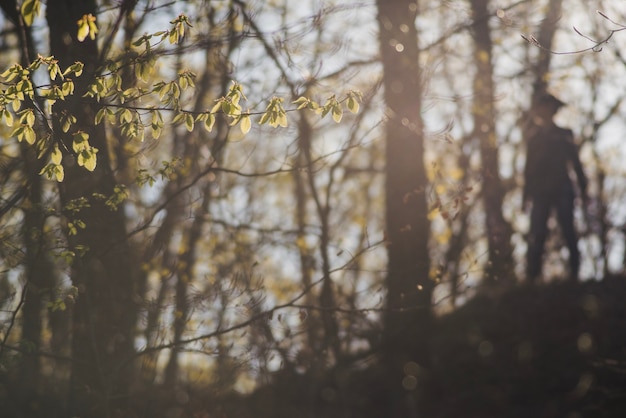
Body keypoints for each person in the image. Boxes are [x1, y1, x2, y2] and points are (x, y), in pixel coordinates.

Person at [523, 93, 588, 283]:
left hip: (563, 189)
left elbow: (575, 162)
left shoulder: (564, 134)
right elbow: (528, 171)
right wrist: (525, 196)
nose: (544, 111)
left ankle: (575, 276)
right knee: (538, 233)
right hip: (540, 192)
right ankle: (532, 278)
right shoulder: (533, 139)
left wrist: (583, 186)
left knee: (568, 230)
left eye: (547, 107)